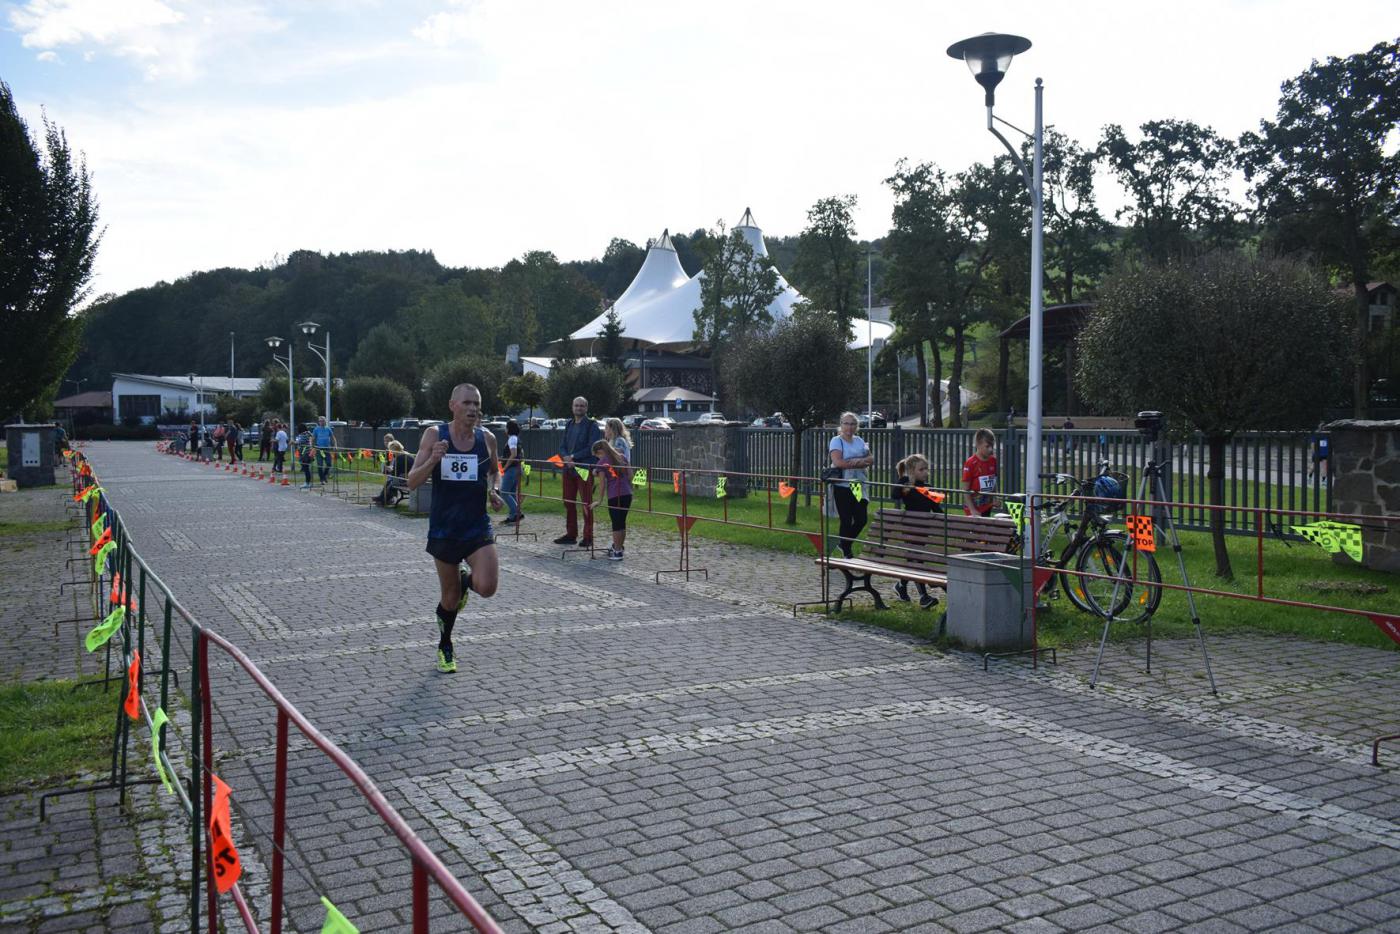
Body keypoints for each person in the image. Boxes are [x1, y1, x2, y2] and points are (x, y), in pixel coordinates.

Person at [406, 383, 505, 674]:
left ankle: (466, 581)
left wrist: (494, 490)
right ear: (452, 405)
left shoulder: (487, 438)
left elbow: (495, 471)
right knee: (450, 599)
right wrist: (433, 460)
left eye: (476, 404)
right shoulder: (434, 435)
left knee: (487, 587)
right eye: (466, 403)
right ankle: (445, 644)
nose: (472, 409)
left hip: (477, 526)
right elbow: (412, 481)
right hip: (445, 528)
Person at [892, 453, 941, 609]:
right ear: (912, 471)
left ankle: (901, 585)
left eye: (926, 469)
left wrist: (947, 519)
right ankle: (923, 597)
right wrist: (904, 482)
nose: (925, 472)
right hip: (910, 527)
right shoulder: (906, 483)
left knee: (912, 558)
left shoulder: (927, 487)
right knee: (916, 559)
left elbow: (936, 508)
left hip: (923, 528)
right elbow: (894, 495)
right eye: (921, 469)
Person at [554, 396, 602, 548]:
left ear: (586, 408)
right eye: (576, 405)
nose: (579, 408)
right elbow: (562, 446)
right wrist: (566, 457)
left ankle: (588, 536)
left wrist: (574, 457)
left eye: (582, 406)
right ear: (572, 407)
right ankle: (571, 534)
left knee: (586, 503)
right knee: (568, 502)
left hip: (584, 469)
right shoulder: (569, 424)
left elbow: (592, 447)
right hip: (568, 469)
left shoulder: (592, 426)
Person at [828, 412, 873, 558]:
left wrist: (861, 461)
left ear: (857, 426)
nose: (849, 427)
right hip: (842, 485)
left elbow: (871, 458)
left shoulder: (859, 440)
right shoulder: (836, 441)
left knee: (861, 519)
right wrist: (860, 462)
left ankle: (843, 544)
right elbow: (838, 462)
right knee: (846, 520)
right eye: (846, 423)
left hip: (856, 485)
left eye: (853, 424)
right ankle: (847, 553)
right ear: (841, 425)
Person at [593, 418, 633, 560]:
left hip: (615, 493)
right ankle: (618, 546)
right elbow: (630, 475)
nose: (605, 431)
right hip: (626, 492)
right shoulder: (622, 457)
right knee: (621, 522)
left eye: (606, 428)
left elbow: (602, 483)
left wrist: (599, 500)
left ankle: (617, 550)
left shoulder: (607, 457)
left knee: (616, 523)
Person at [962, 427, 998, 517]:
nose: (991, 449)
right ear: (978, 445)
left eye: (992, 446)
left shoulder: (993, 460)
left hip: (987, 506)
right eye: (987, 446)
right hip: (973, 508)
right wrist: (972, 510)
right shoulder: (970, 463)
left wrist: (995, 497)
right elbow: (965, 490)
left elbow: (993, 480)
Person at [373, 439, 413, 506]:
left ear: (394, 450)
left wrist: (390, 469)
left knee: (391, 482)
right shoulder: (407, 454)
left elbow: (395, 473)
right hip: (410, 477)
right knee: (390, 482)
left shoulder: (399, 458)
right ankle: (382, 498)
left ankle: (385, 500)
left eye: (391, 451)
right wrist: (392, 469)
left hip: (406, 479)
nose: (391, 453)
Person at [499, 419, 523, 525]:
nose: (505, 429)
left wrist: (505, 467)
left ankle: (517, 512)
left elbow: (513, 454)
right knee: (512, 493)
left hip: (512, 469)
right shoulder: (516, 438)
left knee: (504, 492)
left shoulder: (512, 439)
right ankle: (512, 516)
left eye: (506, 427)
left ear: (509, 429)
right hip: (517, 468)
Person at [311, 416, 337, 485]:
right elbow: (313, 438)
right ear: (318, 422)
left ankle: (324, 475)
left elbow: (333, 437)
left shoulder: (328, 429)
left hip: (327, 449)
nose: (321, 422)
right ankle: (322, 479)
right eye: (320, 421)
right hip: (319, 449)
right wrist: (312, 446)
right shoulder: (316, 429)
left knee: (329, 463)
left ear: (325, 421)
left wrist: (335, 445)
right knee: (320, 465)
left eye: (322, 421)